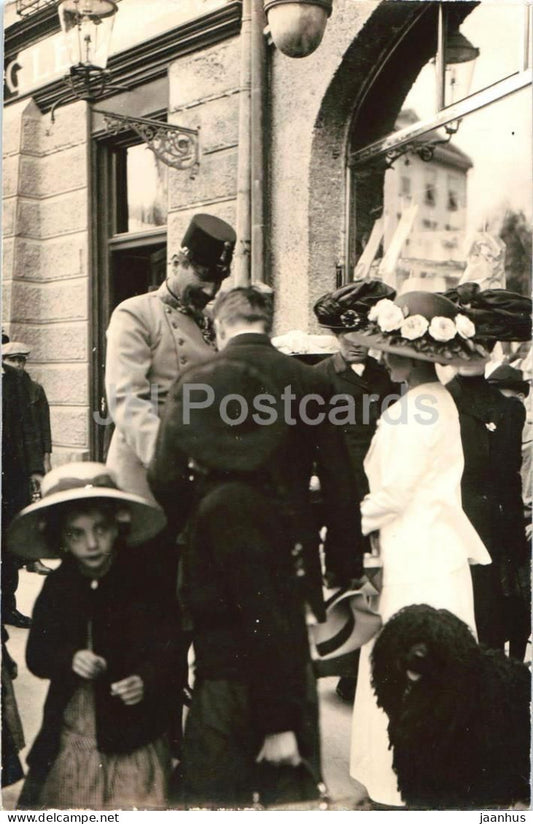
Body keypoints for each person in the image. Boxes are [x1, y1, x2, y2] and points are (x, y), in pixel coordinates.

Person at [345, 291, 491, 808]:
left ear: (418, 356)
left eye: (392, 349)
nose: (384, 357)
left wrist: (343, 524)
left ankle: (399, 785)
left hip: (419, 554)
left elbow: (395, 492)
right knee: (430, 666)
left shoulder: (418, 409)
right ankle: (428, 777)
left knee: (407, 663)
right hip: (428, 549)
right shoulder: (434, 402)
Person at [154, 357, 321, 808]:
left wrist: (277, 722)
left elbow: (263, 615)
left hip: (238, 693)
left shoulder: (228, 506)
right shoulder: (247, 491)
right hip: (240, 685)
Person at [149, 286, 365, 624]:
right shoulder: (311, 382)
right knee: (287, 661)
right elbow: (339, 478)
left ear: (219, 328)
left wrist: (189, 527)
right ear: (267, 325)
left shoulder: (193, 382)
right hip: (289, 548)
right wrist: (344, 563)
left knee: (219, 660)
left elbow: (163, 475)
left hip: (213, 548)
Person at [7, 462, 180, 810]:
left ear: (118, 526)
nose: (92, 543)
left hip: (133, 730)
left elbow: (170, 646)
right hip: (74, 728)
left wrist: (146, 679)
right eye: (77, 533)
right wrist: (69, 658)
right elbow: (37, 655)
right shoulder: (58, 587)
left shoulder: (144, 581)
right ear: (61, 539)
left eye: (101, 529)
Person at [105, 213, 236, 506]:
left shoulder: (212, 322)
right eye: (203, 276)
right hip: (146, 473)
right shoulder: (136, 314)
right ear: (176, 263)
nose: (210, 290)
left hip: (201, 474)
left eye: (218, 280)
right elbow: (126, 400)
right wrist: (169, 461)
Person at [313, 280, 401, 702]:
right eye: (347, 335)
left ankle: (376, 670)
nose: (355, 344)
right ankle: (346, 669)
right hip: (340, 496)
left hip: (381, 496)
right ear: (336, 335)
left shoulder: (391, 381)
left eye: (363, 335)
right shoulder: (318, 379)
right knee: (345, 578)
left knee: (381, 580)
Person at [444, 284, 532, 658]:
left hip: (495, 535)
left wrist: (515, 555)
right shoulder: (436, 401)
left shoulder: (510, 410)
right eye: (469, 340)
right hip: (450, 530)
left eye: (485, 341)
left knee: (490, 630)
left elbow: (510, 482)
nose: (475, 350)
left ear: (493, 348)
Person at [3, 340, 53, 576]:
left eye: (22, 360)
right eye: (13, 359)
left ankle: (31, 559)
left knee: (26, 513)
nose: (18, 364)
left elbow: (38, 427)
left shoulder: (29, 386)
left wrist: (41, 462)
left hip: (20, 464)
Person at [2, 361, 44, 628]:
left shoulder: (16, 378)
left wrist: (35, 469)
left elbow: (29, 427)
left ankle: (7, 608)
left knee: (9, 546)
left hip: (12, 477)